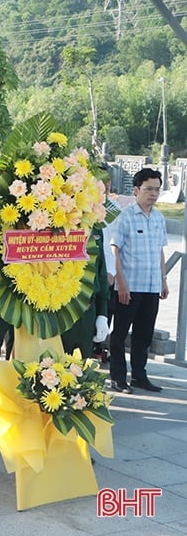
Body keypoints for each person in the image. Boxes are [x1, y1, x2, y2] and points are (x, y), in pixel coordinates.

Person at [109, 168, 169, 394]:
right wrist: (121, 283)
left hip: (151, 286)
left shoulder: (159, 218)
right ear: (136, 190)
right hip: (129, 287)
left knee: (143, 335)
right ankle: (117, 378)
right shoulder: (125, 217)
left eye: (157, 189)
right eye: (148, 189)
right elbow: (114, 250)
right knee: (120, 334)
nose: (153, 194)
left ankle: (139, 376)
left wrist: (163, 280)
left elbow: (160, 251)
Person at [61, 224, 110, 359]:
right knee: (56, 371)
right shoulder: (54, 223)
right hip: (61, 314)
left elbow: (101, 272)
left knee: (83, 369)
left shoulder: (95, 227)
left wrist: (102, 314)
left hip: (88, 312)